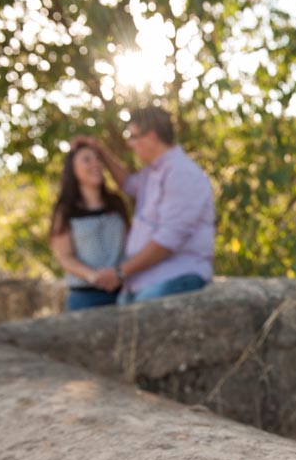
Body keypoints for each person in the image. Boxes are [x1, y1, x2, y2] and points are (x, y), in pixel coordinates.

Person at [73, 106, 215, 302]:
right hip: (143, 282)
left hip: (173, 278)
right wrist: (101, 153)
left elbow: (167, 241)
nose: (131, 144)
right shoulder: (152, 173)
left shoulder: (181, 173)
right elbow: (127, 183)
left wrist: (119, 272)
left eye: (133, 137)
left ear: (151, 137)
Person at [49, 142, 130, 311]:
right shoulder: (65, 210)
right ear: (73, 169)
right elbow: (64, 257)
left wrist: (120, 273)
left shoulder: (116, 203)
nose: (96, 164)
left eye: (98, 159)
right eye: (87, 160)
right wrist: (94, 276)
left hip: (126, 292)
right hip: (86, 297)